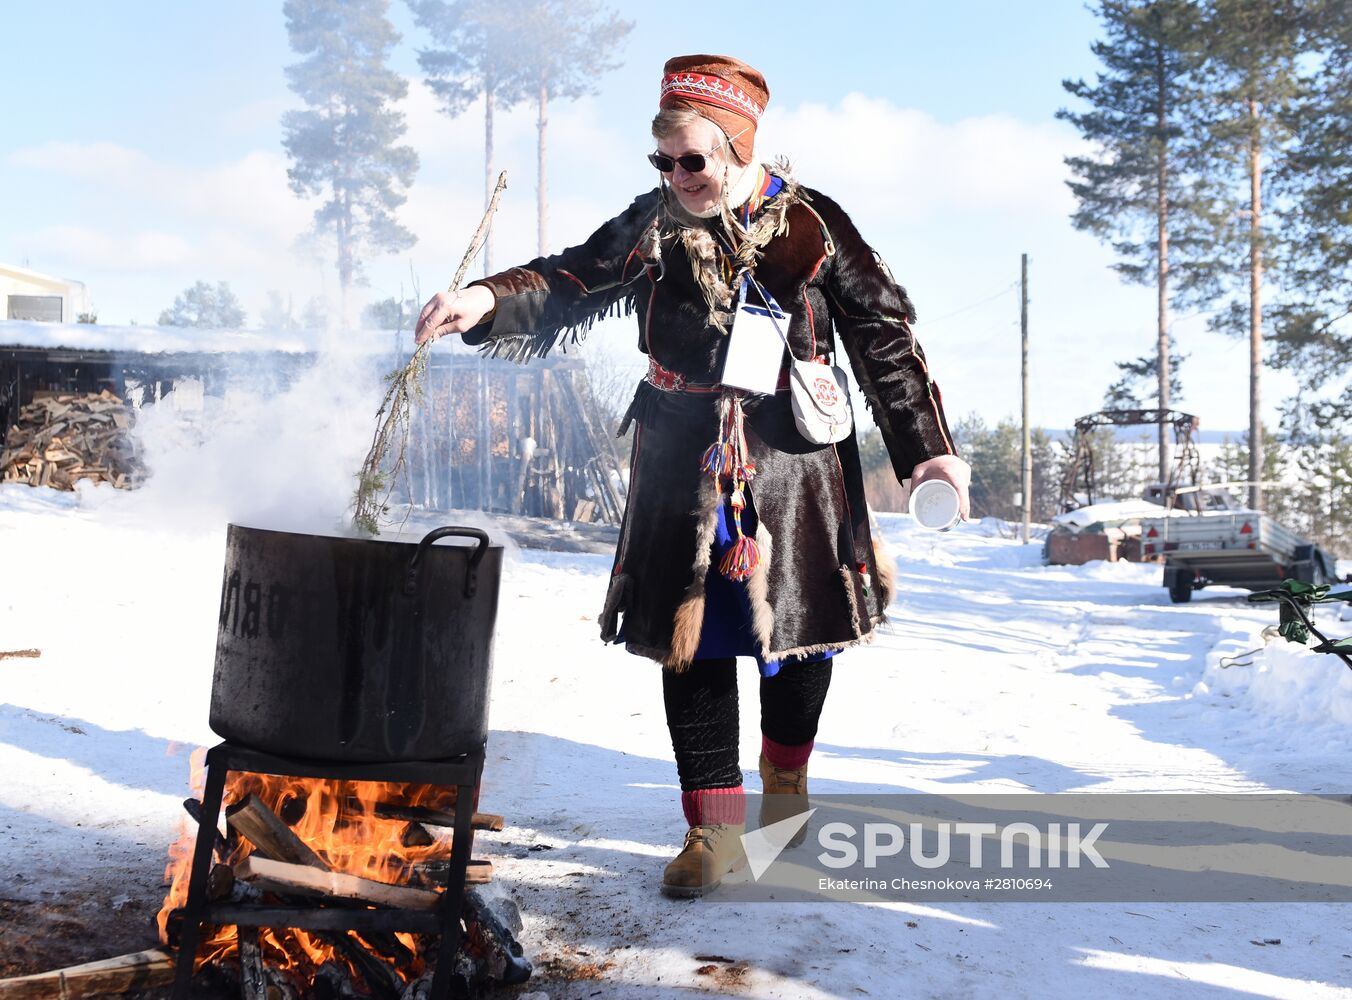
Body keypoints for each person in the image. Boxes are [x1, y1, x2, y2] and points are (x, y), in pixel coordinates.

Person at [415, 54, 970, 898]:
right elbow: (569, 277)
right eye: (664, 161)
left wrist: (926, 448)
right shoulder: (653, 224)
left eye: (692, 160)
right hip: (681, 459)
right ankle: (712, 832)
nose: (677, 177)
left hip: (792, 464)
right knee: (694, 643)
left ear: (739, 147)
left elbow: (884, 336)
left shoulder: (813, 226)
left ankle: (785, 788)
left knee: (797, 638)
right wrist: (485, 301)